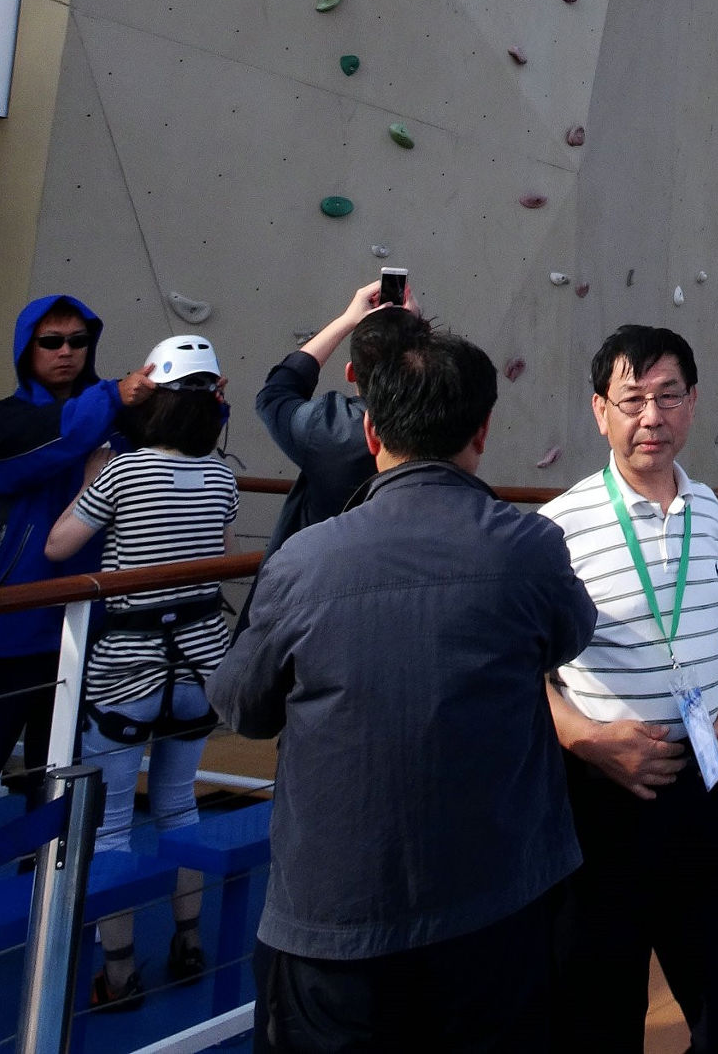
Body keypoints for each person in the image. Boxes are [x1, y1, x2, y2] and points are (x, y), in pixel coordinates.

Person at [210, 332, 595, 1054]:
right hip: (500, 907)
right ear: (482, 431)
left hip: (336, 925)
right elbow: (568, 635)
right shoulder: (529, 547)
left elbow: (241, 706)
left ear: (371, 432)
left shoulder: (304, 560)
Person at [541, 325, 718, 1054]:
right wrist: (586, 739)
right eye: (632, 399)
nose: (651, 416)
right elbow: (524, 672)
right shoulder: (557, 528)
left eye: (668, 396)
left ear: (693, 403)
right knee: (598, 1025)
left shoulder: (710, 512)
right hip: (602, 808)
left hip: (708, 793)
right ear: (600, 411)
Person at [44, 334, 237, 1010]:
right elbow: (221, 559)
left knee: (112, 825)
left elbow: (59, 544)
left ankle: (120, 973)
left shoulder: (123, 473)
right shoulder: (221, 477)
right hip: (200, 662)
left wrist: (93, 472)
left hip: (126, 666)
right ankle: (190, 941)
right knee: (180, 803)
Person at [0, 298, 152, 809]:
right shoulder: (10, 421)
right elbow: (65, 433)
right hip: (15, 625)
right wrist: (115, 395)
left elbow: (177, 435)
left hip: (89, 621)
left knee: (59, 773)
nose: (66, 351)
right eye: (51, 341)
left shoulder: (113, 415)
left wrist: (199, 396)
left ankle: (44, 858)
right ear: (27, 349)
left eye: (78, 341)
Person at [253, 278, 429, 556]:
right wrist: (417, 330)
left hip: (322, 570)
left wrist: (346, 321)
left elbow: (276, 392)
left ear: (351, 373)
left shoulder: (329, 427)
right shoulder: (447, 422)